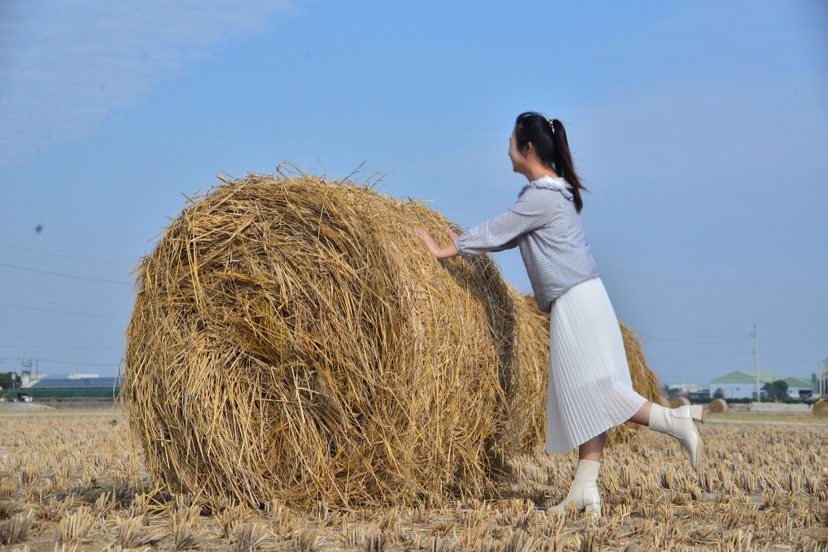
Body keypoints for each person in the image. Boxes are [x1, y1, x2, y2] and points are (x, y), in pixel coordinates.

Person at [413, 112, 705, 520]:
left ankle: (675, 420)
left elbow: (501, 228)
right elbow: (510, 236)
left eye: (511, 141)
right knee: (589, 396)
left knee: (597, 391)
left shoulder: (542, 196)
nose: (506, 150)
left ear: (527, 148)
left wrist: (448, 249)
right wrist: (463, 244)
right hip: (584, 298)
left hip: (576, 302)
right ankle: (584, 491)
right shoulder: (550, 193)